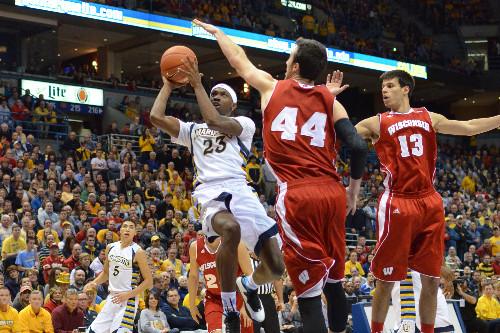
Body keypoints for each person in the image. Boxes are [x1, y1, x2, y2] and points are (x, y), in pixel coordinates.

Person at [193, 19, 367, 333]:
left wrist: (219, 33)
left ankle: (252, 286)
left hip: (299, 195)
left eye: (289, 57)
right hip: (333, 192)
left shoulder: (272, 87)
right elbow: (357, 146)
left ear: (296, 65)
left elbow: (239, 60)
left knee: (310, 296)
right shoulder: (330, 101)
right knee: (336, 284)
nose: (285, 61)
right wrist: (353, 191)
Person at [353, 69, 500, 333]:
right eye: (382, 87)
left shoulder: (428, 117)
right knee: (386, 280)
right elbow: (344, 136)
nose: (384, 91)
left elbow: (467, 128)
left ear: (406, 88)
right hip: (397, 201)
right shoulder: (376, 122)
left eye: (389, 86)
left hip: (429, 200)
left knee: (431, 280)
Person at [150, 51, 285, 331]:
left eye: (221, 94)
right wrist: (168, 85)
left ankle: (247, 286)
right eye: (212, 94)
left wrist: (197, 83)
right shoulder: (191, 130)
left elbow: (214, 121)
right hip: (210, 193)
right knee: (231, 230)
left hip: (240, 190)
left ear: (233, 104)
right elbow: (156, 116)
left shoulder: (244, 125)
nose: (215, 96)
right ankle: (228, 307)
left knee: (275, 268)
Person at [83, 220, 153, 333]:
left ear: (135, 232)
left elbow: (149, 281)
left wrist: (128, 294)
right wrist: (94, 283)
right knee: (92, 331)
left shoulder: (138, 252)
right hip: (112, 297)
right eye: (125, 226)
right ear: (120, 231)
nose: (127, 229)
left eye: (131, 227)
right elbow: (106, 273)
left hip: (128, 299)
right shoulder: (110, 247)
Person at [188, 236, 253, 333]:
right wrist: (192, 305)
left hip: (238, 296)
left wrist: (247, 304)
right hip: (214, 299)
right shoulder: (195, 247)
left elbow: (249, 275)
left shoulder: (235, 243)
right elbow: (193, 277)